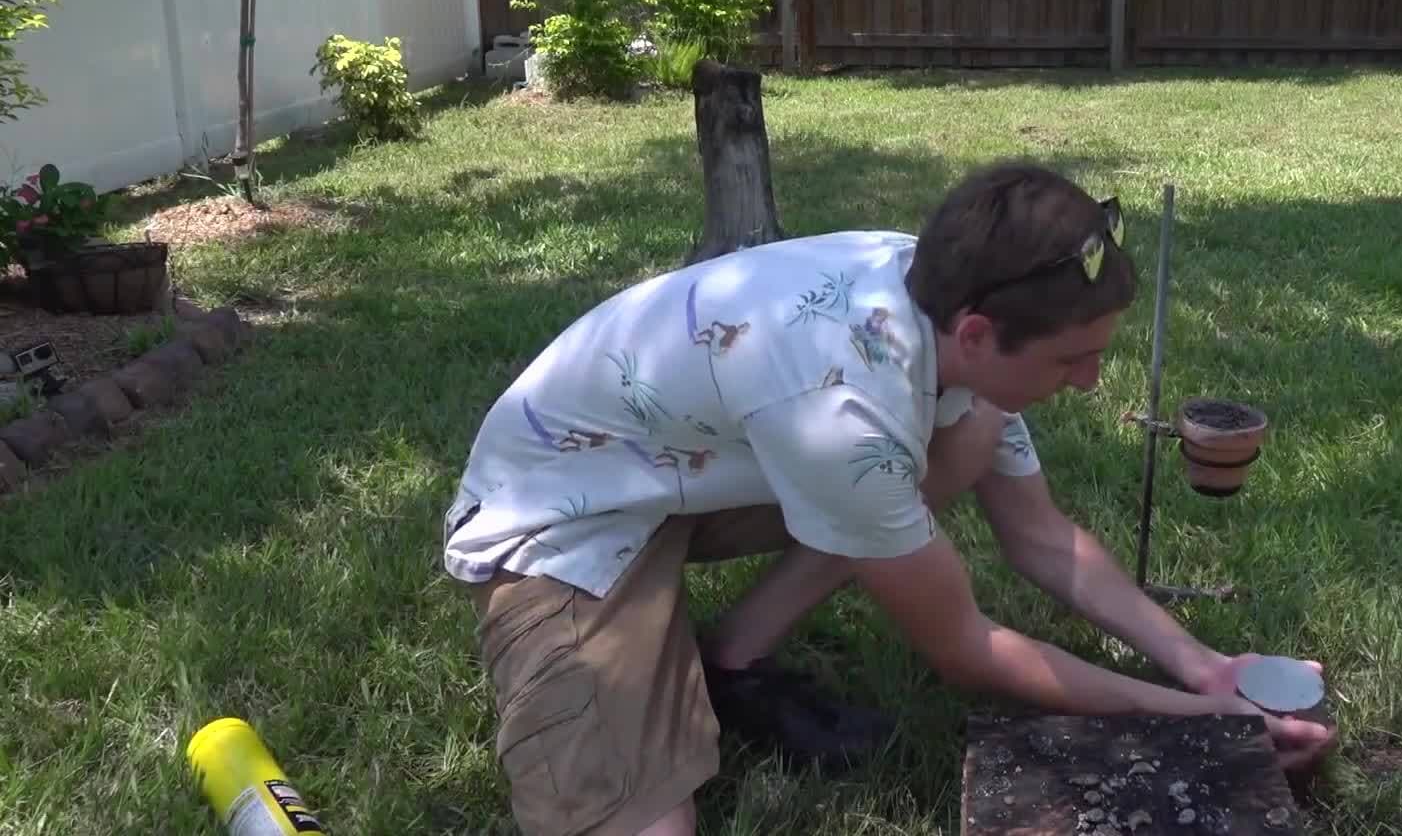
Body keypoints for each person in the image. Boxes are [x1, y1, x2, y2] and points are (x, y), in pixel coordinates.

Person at [442, 161, 1336, 835]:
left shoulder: (939, 295)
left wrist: (1203, 669)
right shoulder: (844, 410)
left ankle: (734, 661)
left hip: (690, 465)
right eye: (1072, 359)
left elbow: (1043, 538)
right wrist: (1204, 723)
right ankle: (647, 652)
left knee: (966, 434)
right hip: (564, 520)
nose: (1092, 383)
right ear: (979, 333)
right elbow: (966, 648)